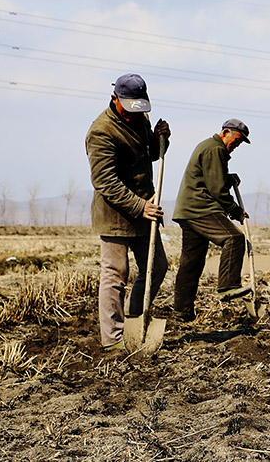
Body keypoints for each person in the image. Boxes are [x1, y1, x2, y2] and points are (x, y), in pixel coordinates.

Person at [85, 73, 171, 351]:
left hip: (146, 210)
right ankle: (112, 340)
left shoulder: (140, 119)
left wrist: (161, 140)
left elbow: (151, 156)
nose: (135, 114)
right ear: (115, 99)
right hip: (116, 214)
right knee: (115, 273)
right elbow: (104, 182)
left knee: (156, 267)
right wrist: (139, 206)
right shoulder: (101, 132)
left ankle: (134, 319)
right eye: (130, 108)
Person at [171, 119, 253, 321]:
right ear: (225, 132)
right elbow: (217, 190)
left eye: (240, 143)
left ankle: (182, 311)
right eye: (236, 140)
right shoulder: (215, 149)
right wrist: (236, 211)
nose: (237, 145)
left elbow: (210, 177)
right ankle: (228, 285)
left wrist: (227, 177)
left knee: (191, 263)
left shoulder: (211, 148)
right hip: (201, 209)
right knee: (234, 238)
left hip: (188, 210)